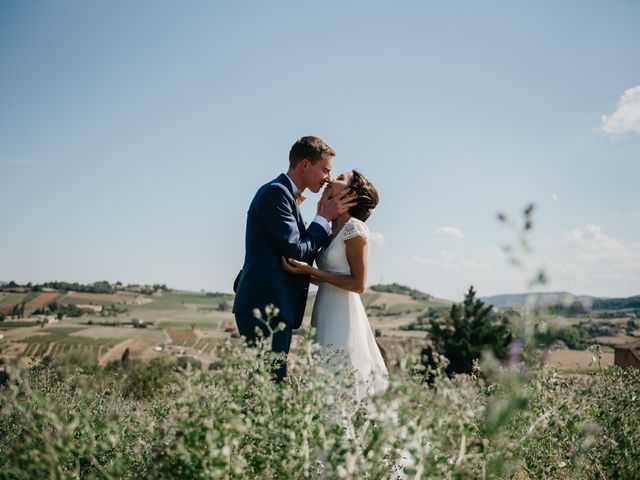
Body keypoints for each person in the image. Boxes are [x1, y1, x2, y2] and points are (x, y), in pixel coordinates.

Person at [233, 136, 357, 382]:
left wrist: (323, 218)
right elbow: (296, 251)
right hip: (265, 306)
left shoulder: (287, 196)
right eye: (325, 170)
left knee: (268, 385)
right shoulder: (276, 193)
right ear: (304, 165)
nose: (328, 179)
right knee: (268, 387)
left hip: (275, 306)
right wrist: (322, 219)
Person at [282, 170, 388, 400]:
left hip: (343, 311)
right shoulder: (331, 231)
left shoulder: (354, 229)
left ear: (351, 194)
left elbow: (358, 284)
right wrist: (303, 272)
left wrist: (311, 271)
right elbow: (326, 275)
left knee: (340, 380)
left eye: (339, 178)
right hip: (325, 308)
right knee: (324, 378)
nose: (330, 179)